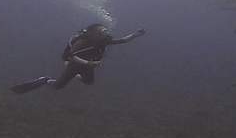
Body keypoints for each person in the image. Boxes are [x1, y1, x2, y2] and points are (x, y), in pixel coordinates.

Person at [10, 24, 146, 94]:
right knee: (58, 86)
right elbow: (72, 56)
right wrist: (88, 63)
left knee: (89, 82)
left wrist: (136, 34)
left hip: (87, 66)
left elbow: (122, 40)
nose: (107, 33)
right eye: (103, 31)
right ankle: (44, 80)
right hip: (74, 65)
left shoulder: (103, 41)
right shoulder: (83, 42)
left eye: (106, 31)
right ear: (96, 33)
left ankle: (77, 76)